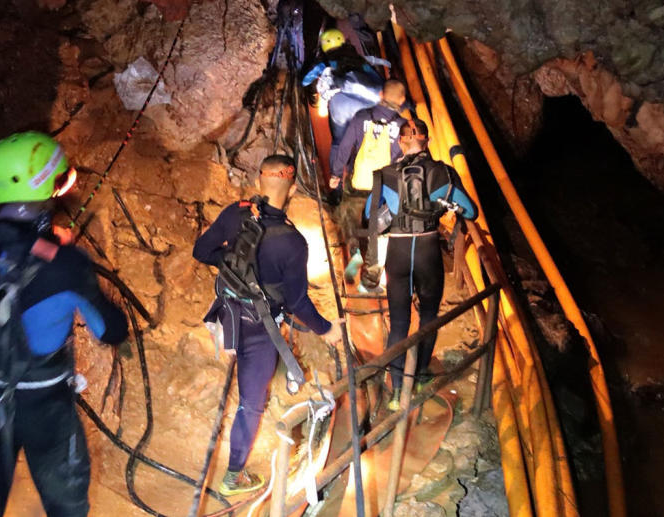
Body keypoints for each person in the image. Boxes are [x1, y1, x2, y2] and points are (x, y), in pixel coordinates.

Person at [0, 131, 128, 517]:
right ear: (48, 186)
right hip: (46, 409)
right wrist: (71, 268)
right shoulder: (67, 265)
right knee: (66, 505)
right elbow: (111, 330)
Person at [193, 154, 343, 495]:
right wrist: (326, 329)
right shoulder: (292, 242)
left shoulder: (235, 213)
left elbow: (202, 251)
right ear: (290, 187)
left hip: (227, 314)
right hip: (260, 331)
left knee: (249, 386)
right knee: (251, 403)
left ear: (260, 179)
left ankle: (236, 470)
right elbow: (297, 303)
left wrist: (232, 264)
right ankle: (234, 477)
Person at [360, 119, 477, 409]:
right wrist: (443, 204)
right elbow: (471, 211)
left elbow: (368, 214)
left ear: (400, 141)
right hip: (427, 251)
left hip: (398, 253)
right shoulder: (443, 173)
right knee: (428, 317)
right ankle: (421, 375)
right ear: (427, 140)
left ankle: (398, 391)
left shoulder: (384, 175)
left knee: (399, 322)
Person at [329, 78, 408, 193]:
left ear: (381, 95)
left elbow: (345, 146)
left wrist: (336, 174)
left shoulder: (362, 116)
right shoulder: (403, 126)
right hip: (383, 186)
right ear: (402, 100)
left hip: (358, 179)